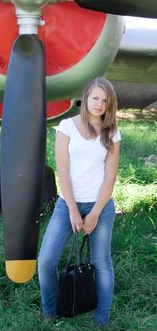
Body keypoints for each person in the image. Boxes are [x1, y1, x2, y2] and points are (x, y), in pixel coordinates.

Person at [38, 77, 121, 327]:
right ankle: (50, 312)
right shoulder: (67, 126)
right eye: (95, 98)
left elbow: (110, 176)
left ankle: (101, 320)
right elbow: (63, 170)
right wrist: (74, 210)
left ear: (109, 105)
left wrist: (94, 213)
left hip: (101, 206)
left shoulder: (112, 131)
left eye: (105, 100)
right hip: (68, 205)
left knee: (102, 263)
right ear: (85, 97)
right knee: (46, 261)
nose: (99, 104)